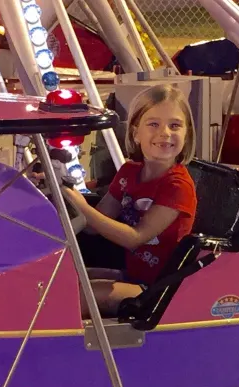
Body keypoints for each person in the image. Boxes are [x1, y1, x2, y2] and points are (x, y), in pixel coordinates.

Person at [62, 84, 198, 318]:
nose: (165, 133)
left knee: (75, 297)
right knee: (58, 281)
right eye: (153, 124)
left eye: (175, 125)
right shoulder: (129, 172)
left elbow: (134, 238)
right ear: (136, 133)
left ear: (186, 135)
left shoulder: (177, 186)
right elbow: (96, 224)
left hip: (160, 289)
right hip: (134, 274)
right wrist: (63, 193)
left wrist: (81, 206)